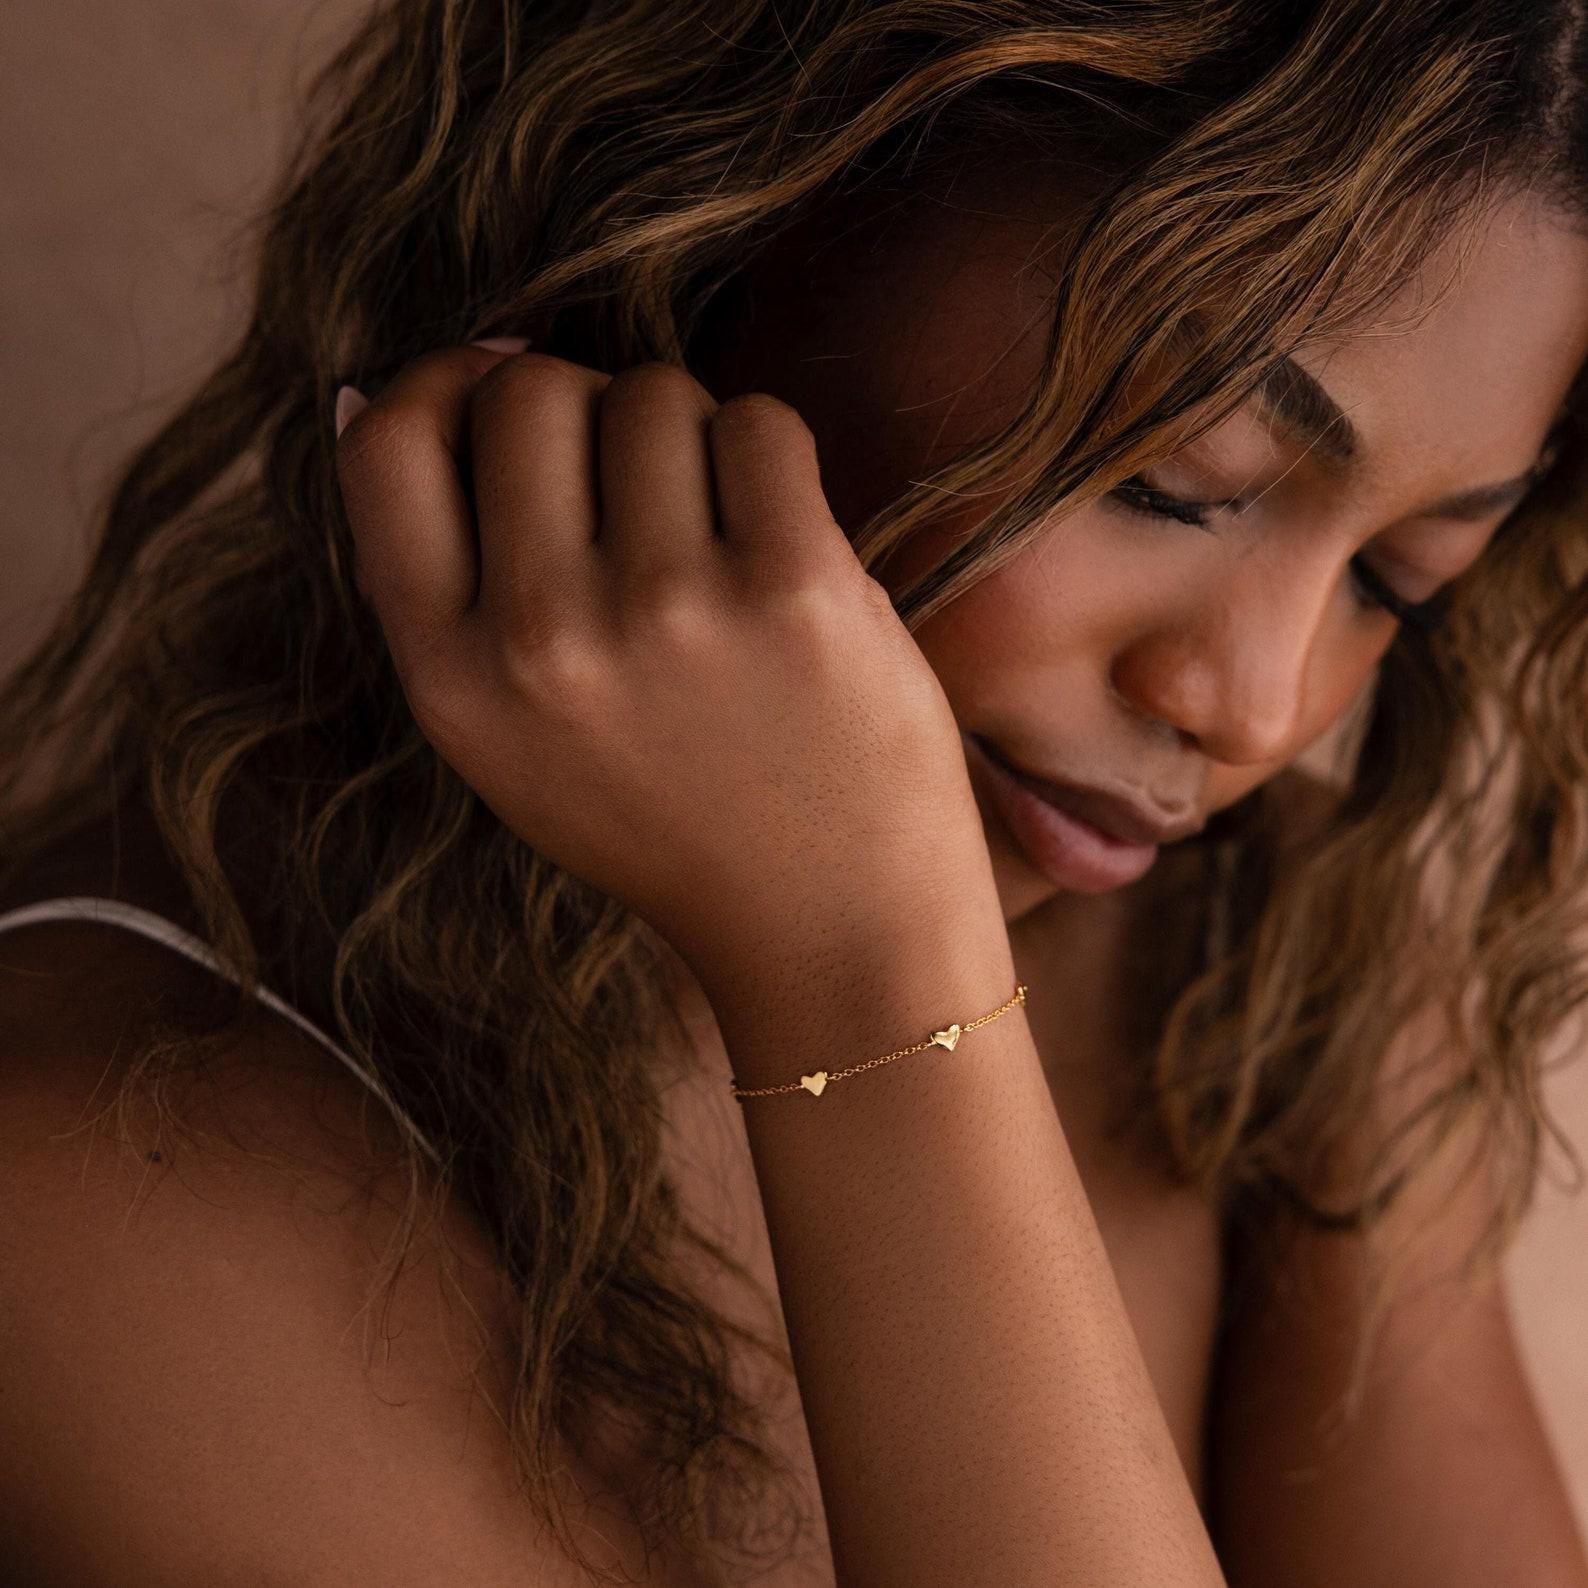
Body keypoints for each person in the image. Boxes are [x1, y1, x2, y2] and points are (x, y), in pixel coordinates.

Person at [1, 1, 1586, 1582]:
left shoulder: (1264, 989)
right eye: (1178, 481)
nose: (1254, 704)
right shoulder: (94, 1184)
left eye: (1403, 578)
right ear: (715, 215)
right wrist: (864, 975)